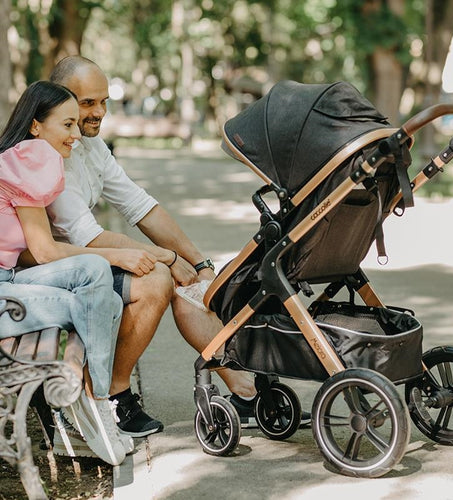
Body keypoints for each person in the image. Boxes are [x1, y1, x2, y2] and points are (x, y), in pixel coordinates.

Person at [47, 56, 311, 432]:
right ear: (60, 99)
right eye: (87, 103)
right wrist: (166, 258)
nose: (98, 112)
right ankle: (112, 396)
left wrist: (198, 262)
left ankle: (244, 390)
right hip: (56, 266)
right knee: (156, 280)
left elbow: (141, 206)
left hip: (89, 259)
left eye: (103, 101)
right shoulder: (51, 152)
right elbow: (88, 236)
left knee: (192, 285)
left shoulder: (91, 147)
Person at [0, 80, 159, 464]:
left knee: (101, 293)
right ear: (36, 125)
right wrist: (116, 257)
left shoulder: (27, 156)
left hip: (12, 281)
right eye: (67, 125)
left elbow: (29, 254)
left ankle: (93, 402)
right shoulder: (27, 160)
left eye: (76, 125)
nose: (76, 135)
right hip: (6, 294)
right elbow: (44, 250)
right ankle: (96, 402)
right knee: (98, 285)